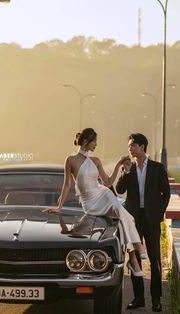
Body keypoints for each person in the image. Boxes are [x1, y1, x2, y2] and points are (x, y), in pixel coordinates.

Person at [44, 128, 147, 277]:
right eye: (94, 141)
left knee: (118, 212)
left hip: (103, 193)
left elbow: (108, 182)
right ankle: (134, 251)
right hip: (89, 202)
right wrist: (59, 206)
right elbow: (67, 185)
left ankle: (133, 253)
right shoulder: (70, 160)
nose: (96, 144)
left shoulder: (96, 161)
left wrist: (118, 164)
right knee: (125, 217)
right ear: (85, 142)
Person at [116, 133, 170, 312]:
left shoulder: (156, 168)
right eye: (129, 146)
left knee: (154, 259)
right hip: (133, 219)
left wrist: (158, 211)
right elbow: (119, 189)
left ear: (142, 147)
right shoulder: (129, 168)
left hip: (152, 219)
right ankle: (138, 298)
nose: (130, 149)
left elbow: (166, 193)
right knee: (134, 260)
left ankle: (156, 299)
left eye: (132, 145)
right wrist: (126, 172)